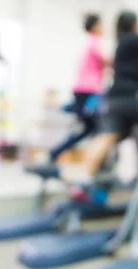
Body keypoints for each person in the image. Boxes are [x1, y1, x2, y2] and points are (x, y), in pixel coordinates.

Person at [60, 10, 138, 185]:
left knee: (106, 135)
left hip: (113, 96)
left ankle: (84, 174)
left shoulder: (122, 44)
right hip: (127, 97)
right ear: (134, 24)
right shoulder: (132, 40)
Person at [44, 14, 110, 164]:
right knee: (94, 128)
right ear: (95, 27)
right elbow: (107, 61)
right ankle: (58, 153)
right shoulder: (95, 41)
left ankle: (57, 153)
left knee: (90, 128)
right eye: (101, 24)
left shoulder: (89, 42)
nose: (104, 28)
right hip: (89, 91)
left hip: (83, 90)